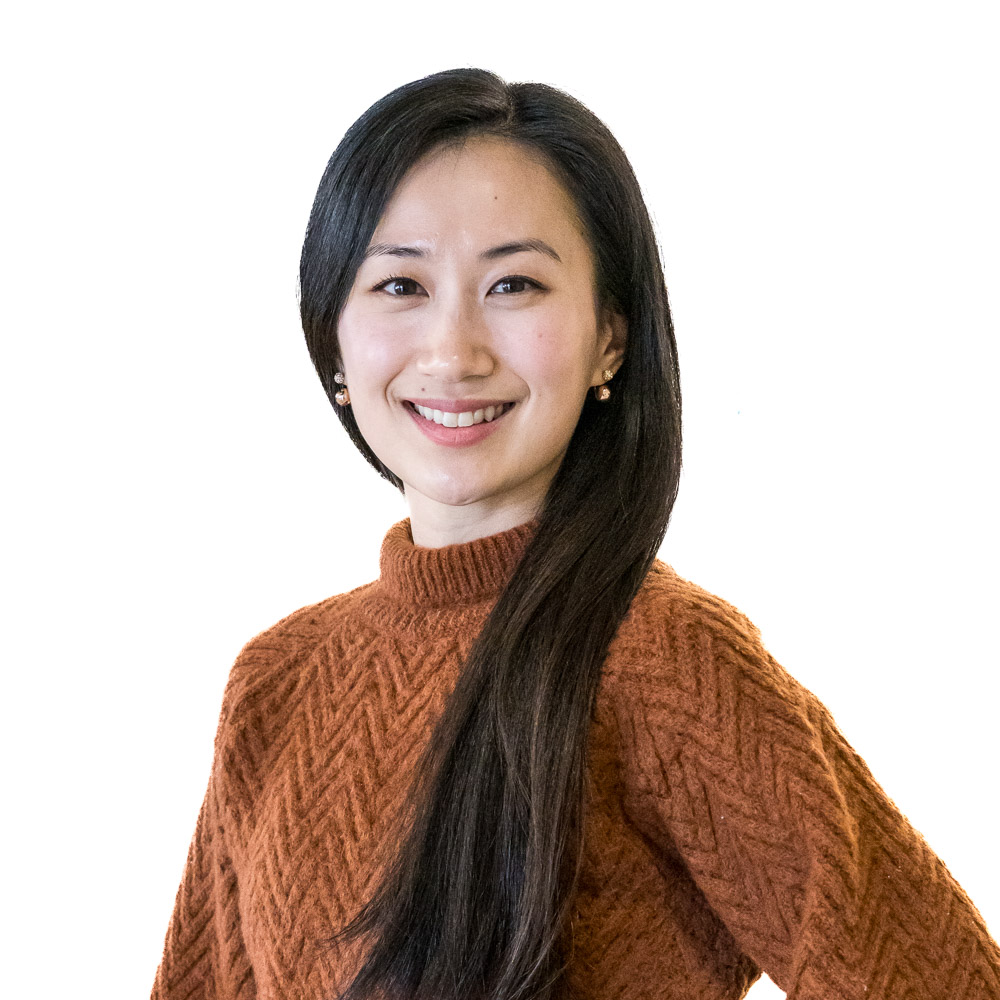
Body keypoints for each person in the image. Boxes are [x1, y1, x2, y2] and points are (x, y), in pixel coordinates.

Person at [151, 67, 1000, 1000]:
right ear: (334, 345)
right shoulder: (277, 680)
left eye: (514, 284)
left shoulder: (664, 656)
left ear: (610, 339)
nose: (453, 352)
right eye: (400, 284)